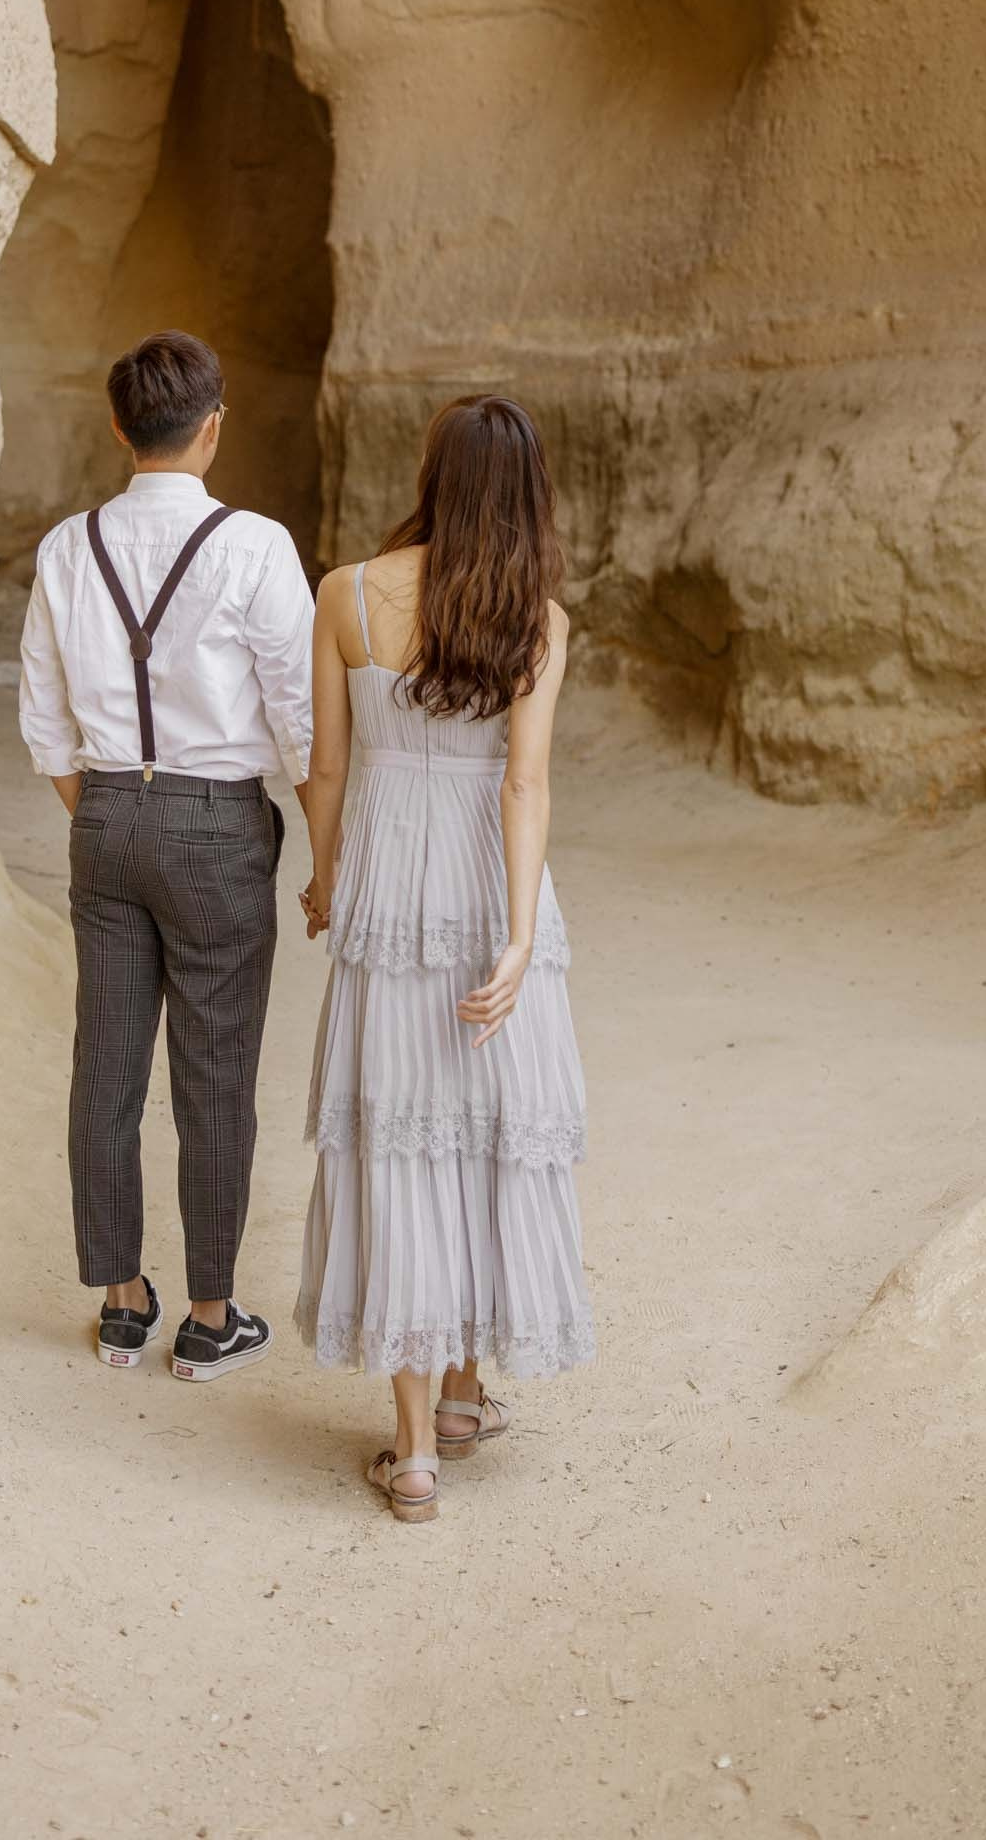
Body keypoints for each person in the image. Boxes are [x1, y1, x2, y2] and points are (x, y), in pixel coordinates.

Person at [294, 394, 594, 1520]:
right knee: (484, 1135)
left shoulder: (347, 596)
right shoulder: (540, 620)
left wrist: (330, 879)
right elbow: (525, 783)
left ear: (433, 475)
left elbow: (323, 766)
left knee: (397, 1143)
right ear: (526, 494)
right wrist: (518, 935)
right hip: (489, 886)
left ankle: (418, 1445)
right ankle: (467, 1394)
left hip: (390, 891)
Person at [19, 329, 314, 1382]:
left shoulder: (66, 548)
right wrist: (324, 847)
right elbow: (301, 721)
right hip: (217, 825)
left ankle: (121, 1302)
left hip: (101, 817)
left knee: (106, 1066)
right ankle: (210, 1315)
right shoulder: (257, 546)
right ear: (214, 427)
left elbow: (46, 723)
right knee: (216, 1074)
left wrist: (107, 808)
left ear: (117, 427)